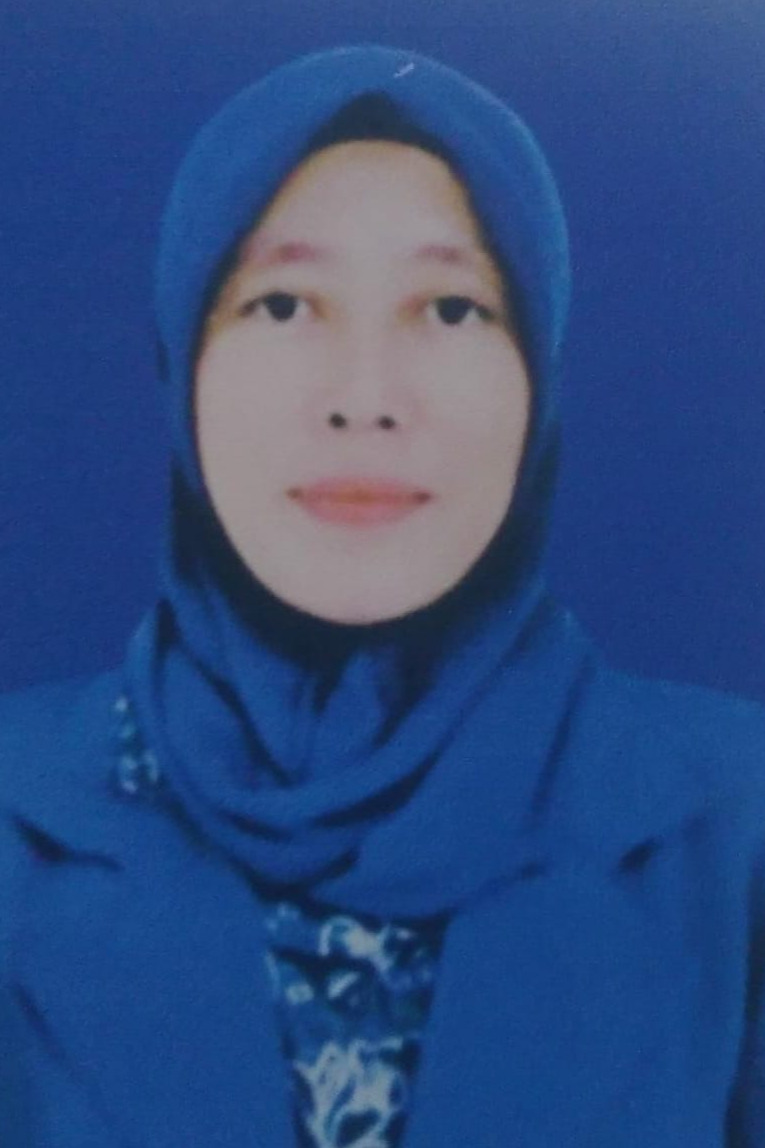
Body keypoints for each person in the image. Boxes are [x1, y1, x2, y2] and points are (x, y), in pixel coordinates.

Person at [0, 43, 763, 1148]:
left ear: (539, 374)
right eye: (281, 304)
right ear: (181, 362)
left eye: (450, 309)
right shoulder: (17, 810)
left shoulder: (733, 829)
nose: (365, 397)